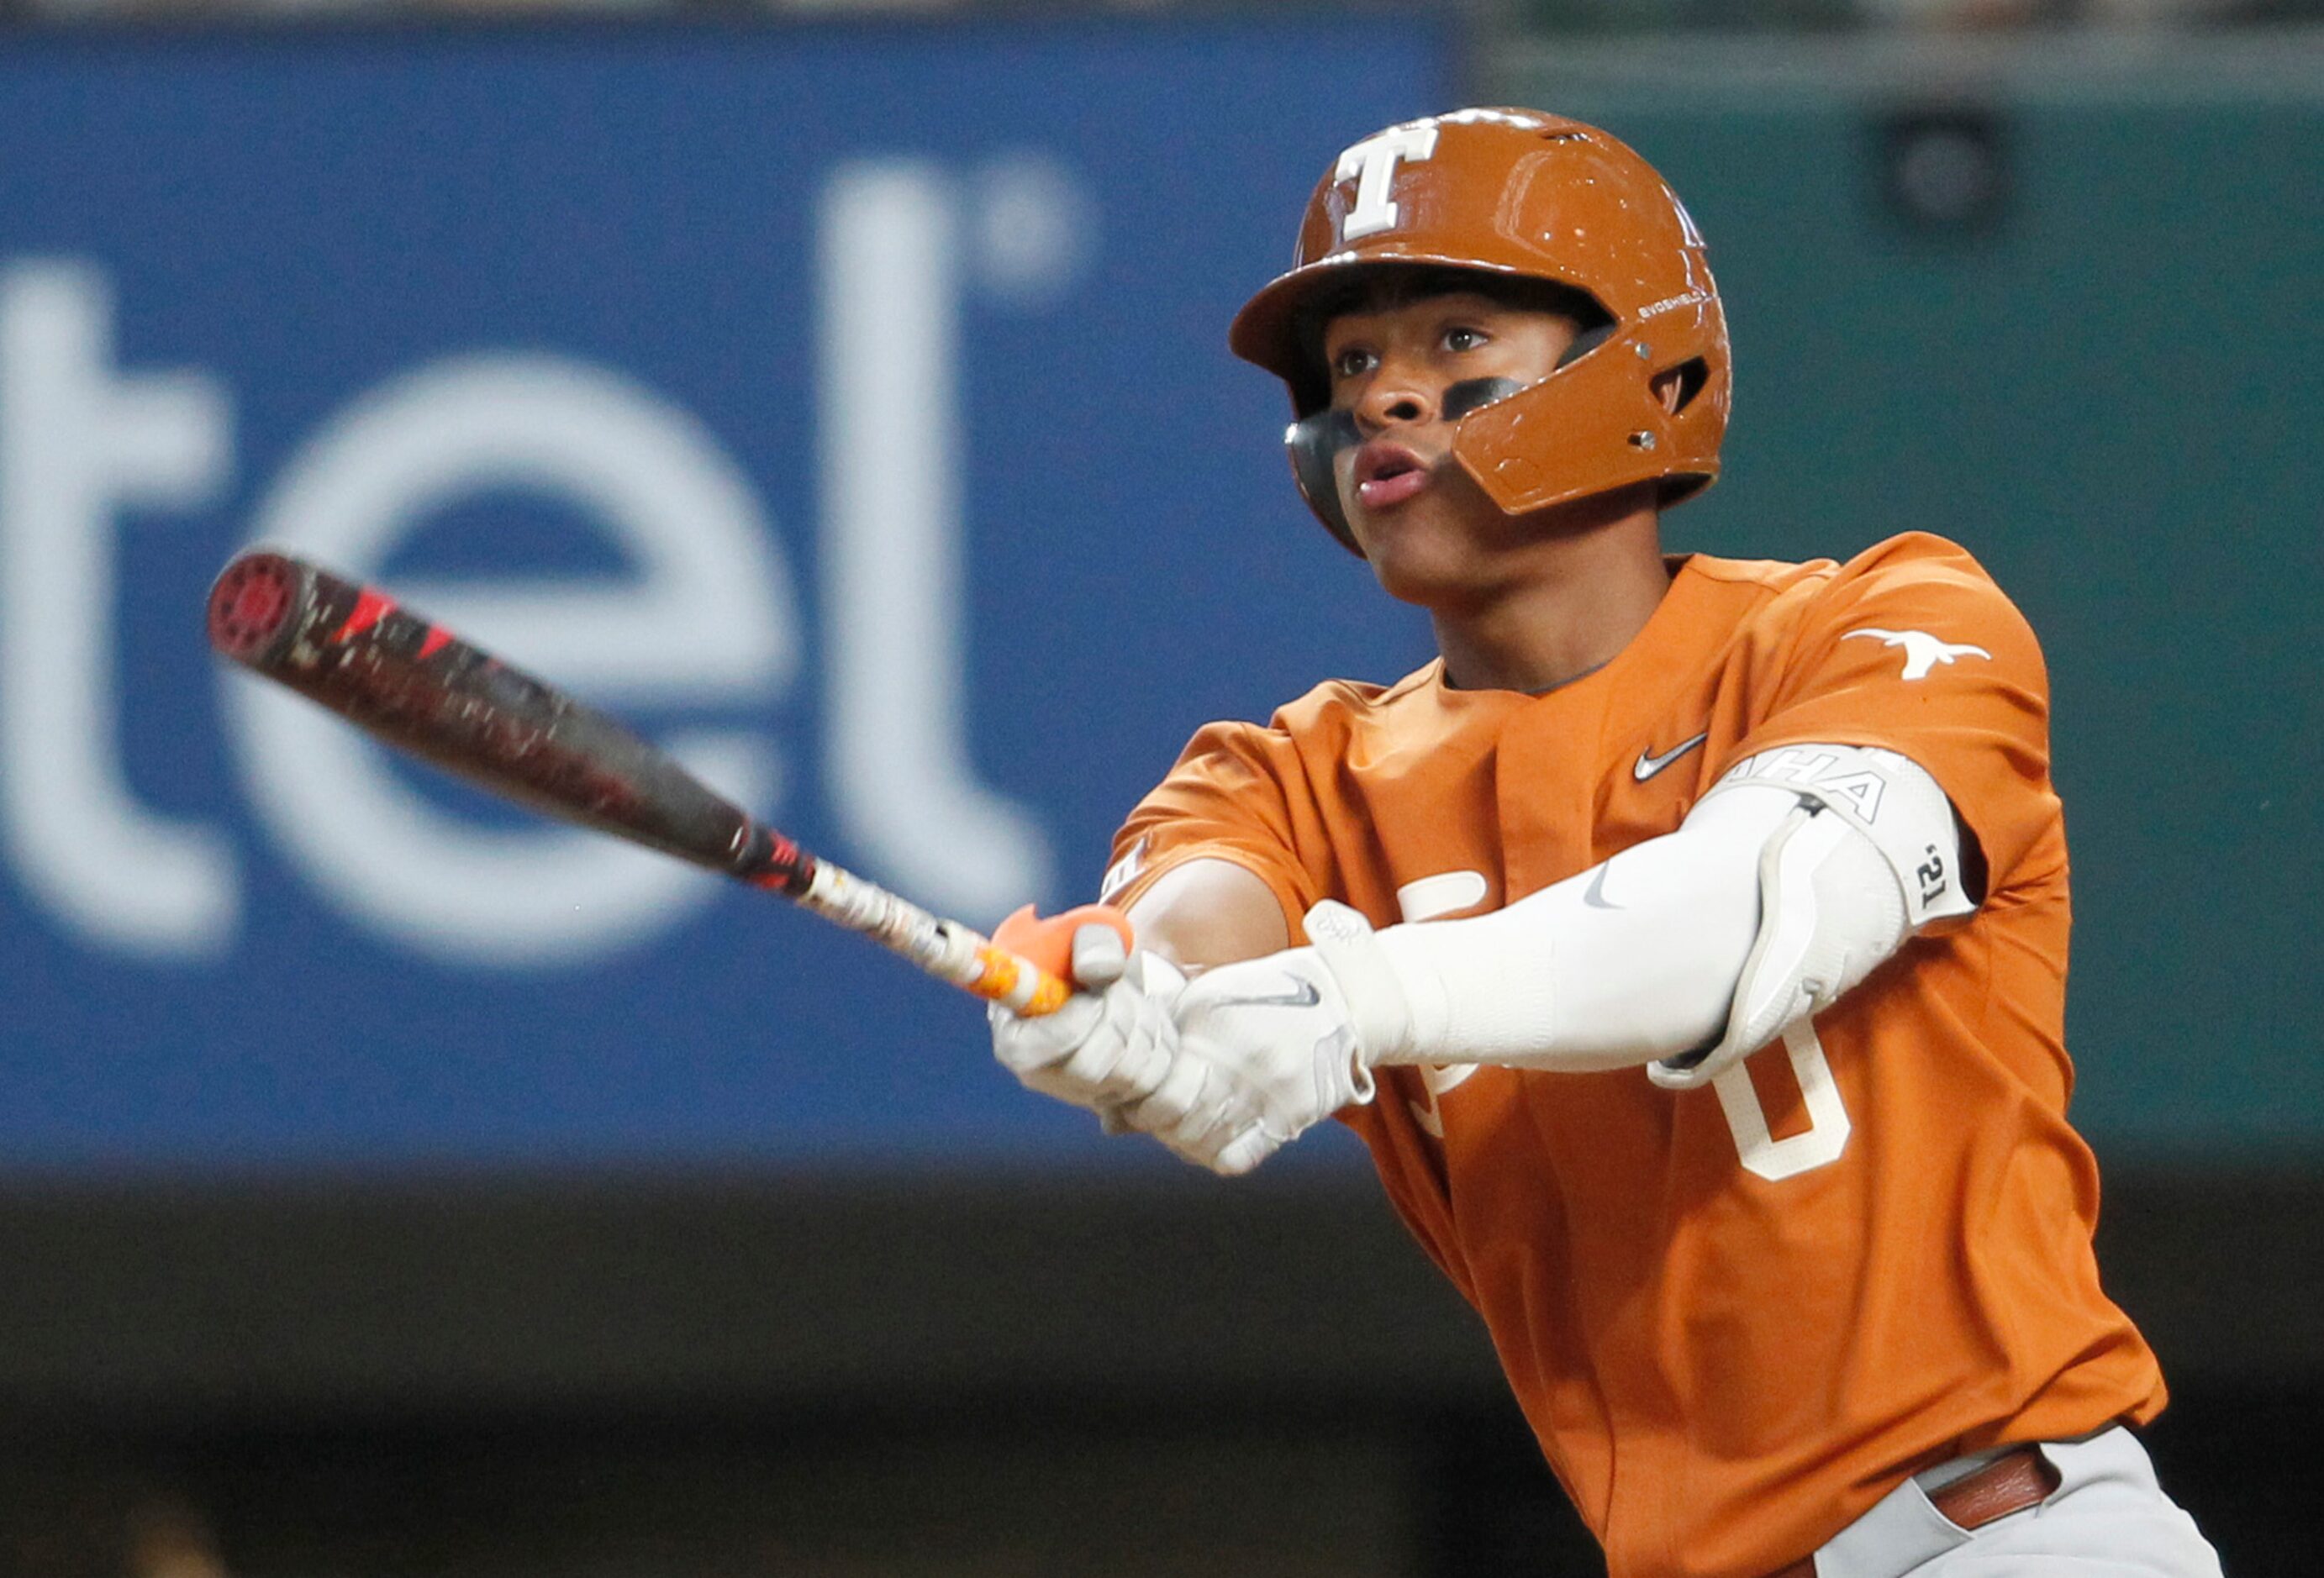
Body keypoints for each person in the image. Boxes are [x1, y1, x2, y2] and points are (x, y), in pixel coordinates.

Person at [988, 108, 2222, 1578]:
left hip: (1998, 1539)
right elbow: (1194, 925)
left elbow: (1742, 921)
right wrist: (1132, 1011)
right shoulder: (1286, 773)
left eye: (1457, 341)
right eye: (1352, 365)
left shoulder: (1886, 623)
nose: (1387, 398)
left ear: (1654, 362)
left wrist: (1355, 996)